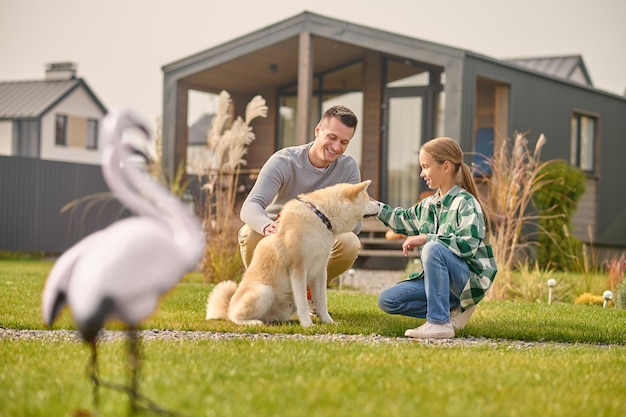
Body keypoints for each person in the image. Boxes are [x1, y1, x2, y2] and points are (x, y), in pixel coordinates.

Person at [366, 137, 497, 339]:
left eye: (425, 167)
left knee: (433, 248)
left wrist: (427, 238)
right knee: (388, 300)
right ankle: (451, 311)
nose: (421, 173)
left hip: (467, 278)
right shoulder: (429, 204)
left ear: (446, 167)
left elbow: (468, 245)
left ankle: (438, 323)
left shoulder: (466, 203)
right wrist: (374, 207)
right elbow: (403, 220)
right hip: (440, 281)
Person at [238, 105, 362, 287]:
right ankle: (262, 287)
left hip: (318, 239)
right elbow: (251, 205)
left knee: (350, 242)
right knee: (249, 233)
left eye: (344, 142)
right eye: (332, 137)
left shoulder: (348, 168)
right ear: (318, 130)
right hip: (277, 236)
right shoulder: (284, 161)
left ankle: (307, 291)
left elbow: (355, 223)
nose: (336, 147)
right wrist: (267, 227)